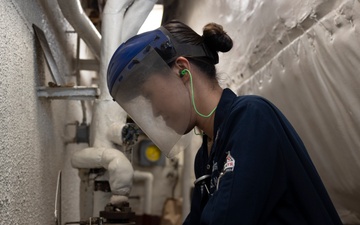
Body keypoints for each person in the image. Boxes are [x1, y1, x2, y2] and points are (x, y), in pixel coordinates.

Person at [107, 20, 343, 224]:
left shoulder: (251, 119)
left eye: (150, 95)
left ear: (182, 70)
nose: (155, 112)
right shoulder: (206, 156)